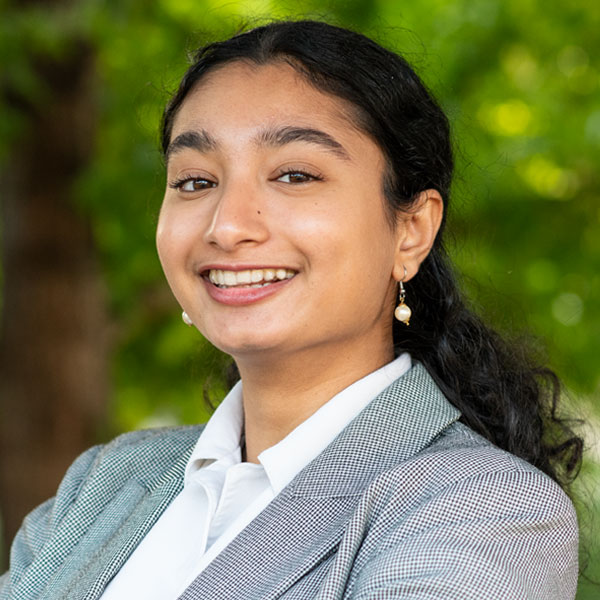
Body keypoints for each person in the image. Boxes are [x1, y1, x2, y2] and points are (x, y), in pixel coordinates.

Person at [0, 20, 583, 600]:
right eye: (195, 181)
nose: (226, 225)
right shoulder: (105, 485)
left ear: (411, 230)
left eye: (295, 174)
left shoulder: (484, 507)